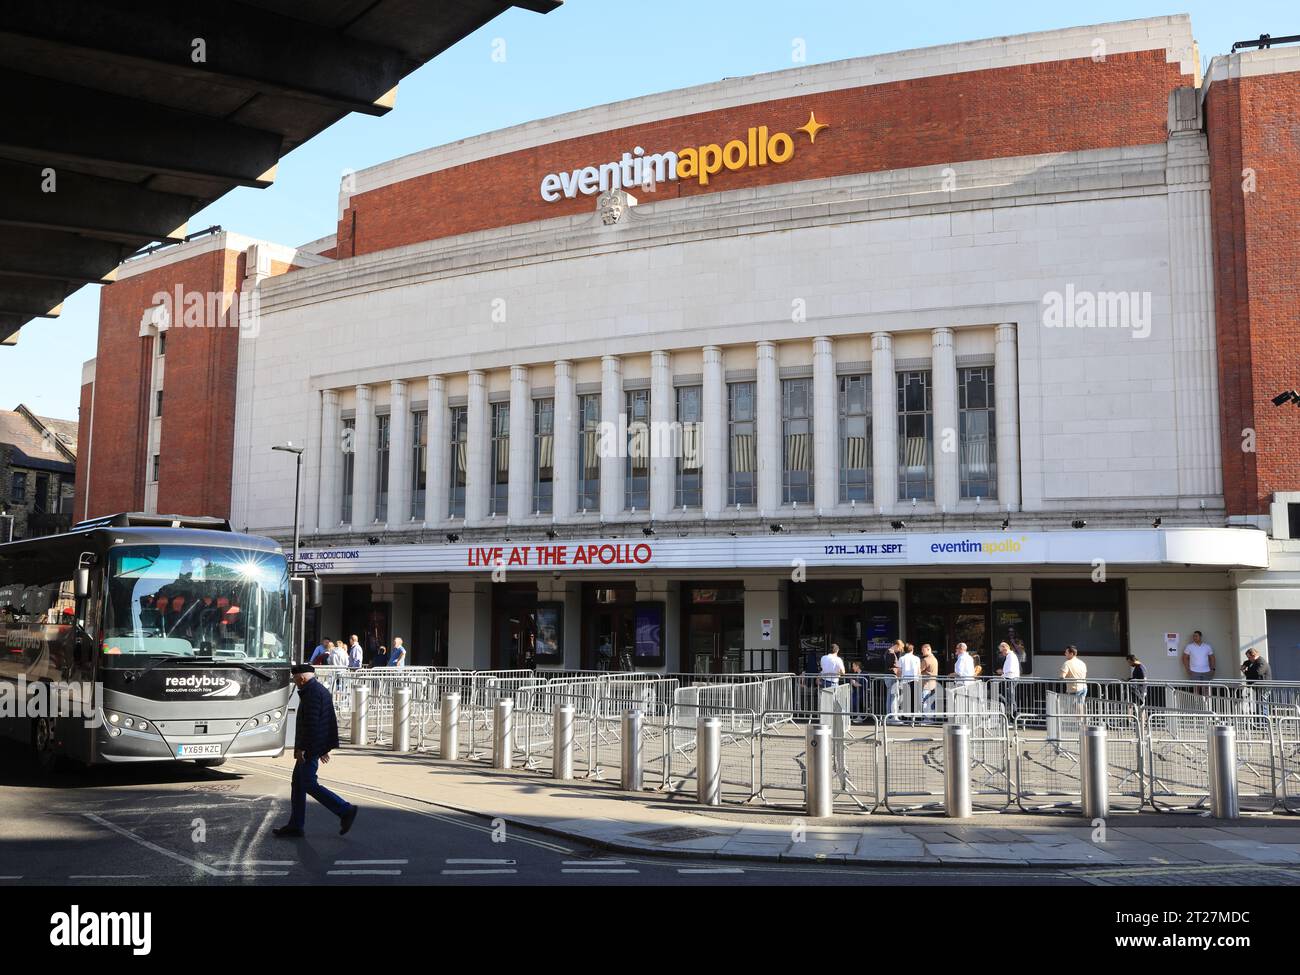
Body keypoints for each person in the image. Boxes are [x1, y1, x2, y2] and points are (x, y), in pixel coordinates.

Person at [273, 664, 358, 838]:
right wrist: (323, 748)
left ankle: (345, 809)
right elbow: (324, 722)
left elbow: (311, 725)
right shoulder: (318, 690)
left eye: (296, 680)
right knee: (298, 784)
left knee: (309, 784)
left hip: (309, 748)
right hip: (315, 746)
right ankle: (296, 825)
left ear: (302, 678)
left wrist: (303, 749)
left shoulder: (312, 694)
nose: (295, 684)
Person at [1242, 648, 1272, 715]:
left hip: (1264, 687)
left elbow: (1257, 673)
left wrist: (1246, 672)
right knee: (1259, 704)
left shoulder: (1261, 662)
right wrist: (1244, 665)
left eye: (1249, 657)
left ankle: (1264, 722)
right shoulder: (1253, 661)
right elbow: (1246, 662)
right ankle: (1261, 721)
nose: (1248, 659)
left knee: (1262, 705)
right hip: (1258, 687)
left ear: (1253, 655)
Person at [896, 642, 921, 720]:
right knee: (913, 699)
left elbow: (899, 671)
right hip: (915, 679)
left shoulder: (901, 658)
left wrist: (898, 679)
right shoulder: (917, 658)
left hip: (905, 680)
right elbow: (918, 671)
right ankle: (913, 717)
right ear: (912, 650)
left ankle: (906, 717)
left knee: (906, 700)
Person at [1061, 645, 1088, 714]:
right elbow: (1084, 675)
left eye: (1066, 653)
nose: (1065, 654)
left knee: (1074, 707)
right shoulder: (1082, 663)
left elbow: (1062, 676)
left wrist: (1062, 676)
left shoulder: (1067, 663)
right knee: (1080, 705)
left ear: (1071, 654)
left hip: (1074, 688)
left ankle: (1079, 722)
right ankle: (1082, 722)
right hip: (1083, 687)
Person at [882, 639, 904, 719]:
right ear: (897, 645)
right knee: (894, 696)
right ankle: (894, 716)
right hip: (891, 676)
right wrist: (897, 667)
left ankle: (889, 716)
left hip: (889, 676)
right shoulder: (891, 653)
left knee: (890, 696)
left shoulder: (889, 652)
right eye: (900, 648)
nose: (899, 650)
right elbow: (890, 665)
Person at [998, 641, 1020, 717]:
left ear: (1005, 649)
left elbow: (1010, 669)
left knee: (1010, 696)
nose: (1001, 653)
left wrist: (1002, 672)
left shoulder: (1011, 656)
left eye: (1001, 651)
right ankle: (1012, 712)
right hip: (1010, 678)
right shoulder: (1010, 656)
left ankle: (1014, 713)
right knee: (1009, 696)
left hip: (1010, 679)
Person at [919, 644, 939, 718]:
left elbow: (919, 670)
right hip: (933, 683)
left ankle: (927, 719)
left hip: (926, 684)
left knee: (925, 702)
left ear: (928, 649)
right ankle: (930, 719)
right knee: (930, 702)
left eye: (923, 650)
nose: (922, 651)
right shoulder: (934, 659)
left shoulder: (926, 660)